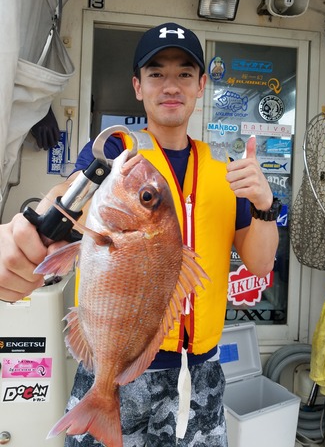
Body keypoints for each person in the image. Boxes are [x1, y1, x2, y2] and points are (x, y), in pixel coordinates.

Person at [0, 22, 279, 446]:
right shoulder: (116, 154)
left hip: (198, 371)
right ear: (137, 85)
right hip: (115, 363)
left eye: (185, 73)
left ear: (202, 84)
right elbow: (67, 197)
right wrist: (31, 226)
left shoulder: (227, 176)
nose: (171, 85)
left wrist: (264, 204)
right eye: (156, 73)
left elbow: (259, 262)